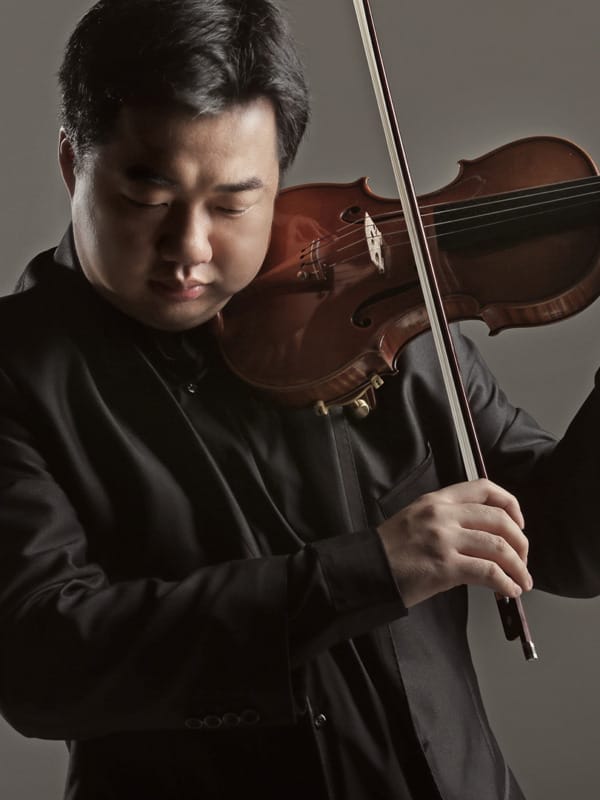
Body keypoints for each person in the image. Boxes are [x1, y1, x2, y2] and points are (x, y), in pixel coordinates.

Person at [0, 1, 599, 798]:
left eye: (233, 203)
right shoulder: (16, 374)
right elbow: (42, 660)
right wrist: (368, 571)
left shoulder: (381, 315)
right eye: (149, 198)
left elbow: (564, 544)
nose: (189, 249)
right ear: (74, 165)